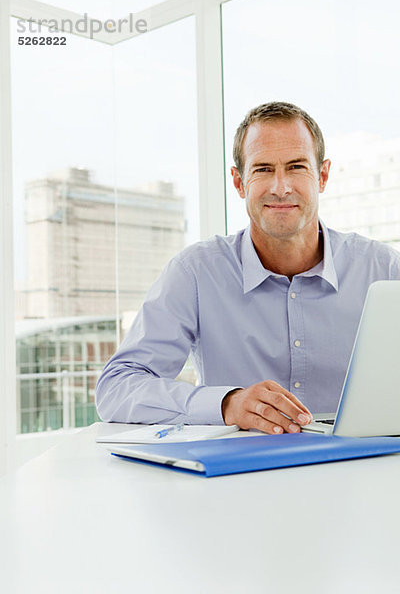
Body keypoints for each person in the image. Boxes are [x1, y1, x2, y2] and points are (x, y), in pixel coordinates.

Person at [96, 101, 400, 434]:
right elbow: (117, 388)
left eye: (297, 167)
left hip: (362, 472)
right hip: (239, 479)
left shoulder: (383, 269)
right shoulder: (195, 273)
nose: (280, 187)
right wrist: (226, 403)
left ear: (322, 176)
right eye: (263, 169)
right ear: (239, 182)